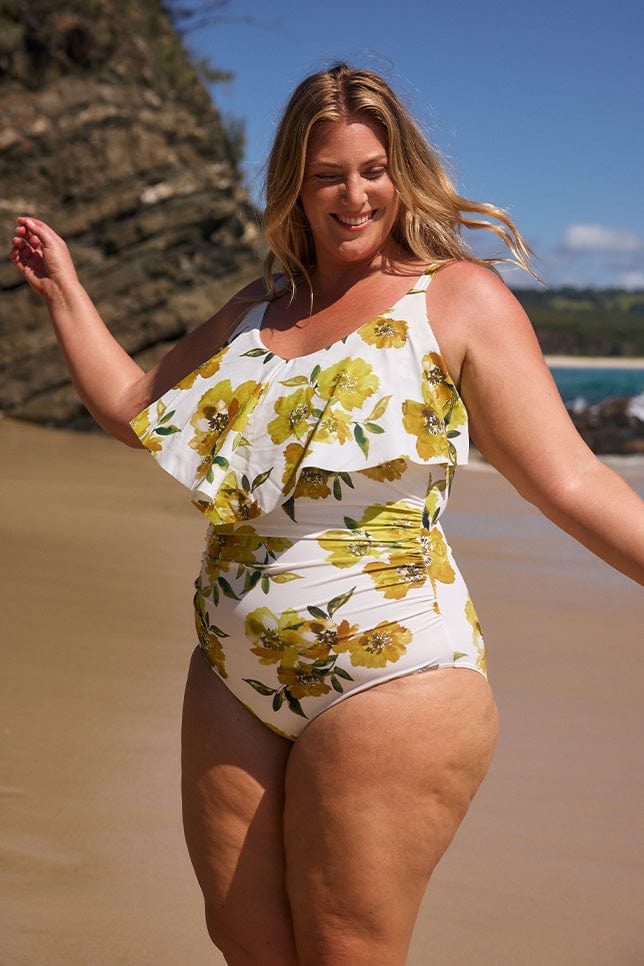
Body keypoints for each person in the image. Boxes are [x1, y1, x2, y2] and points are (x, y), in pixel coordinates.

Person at [10, 62, 644, 965]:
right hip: (232, 671)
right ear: (295, 188)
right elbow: (136, 406)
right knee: (245, 939)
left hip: (393, 675)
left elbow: (571, 480)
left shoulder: (457, 298)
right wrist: (65, 293)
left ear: (403, 173)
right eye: (328, 176)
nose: (355, 196)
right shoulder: (256, 309)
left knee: (348, 949)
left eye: (374, 171)